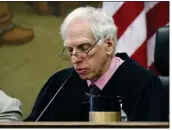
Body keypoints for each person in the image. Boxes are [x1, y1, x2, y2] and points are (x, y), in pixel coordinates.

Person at [26, 6, 164, 121]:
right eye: (70, 49)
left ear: (109, 45)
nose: (75, 58)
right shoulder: (59, 83)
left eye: (84, 48)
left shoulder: (144, 84)